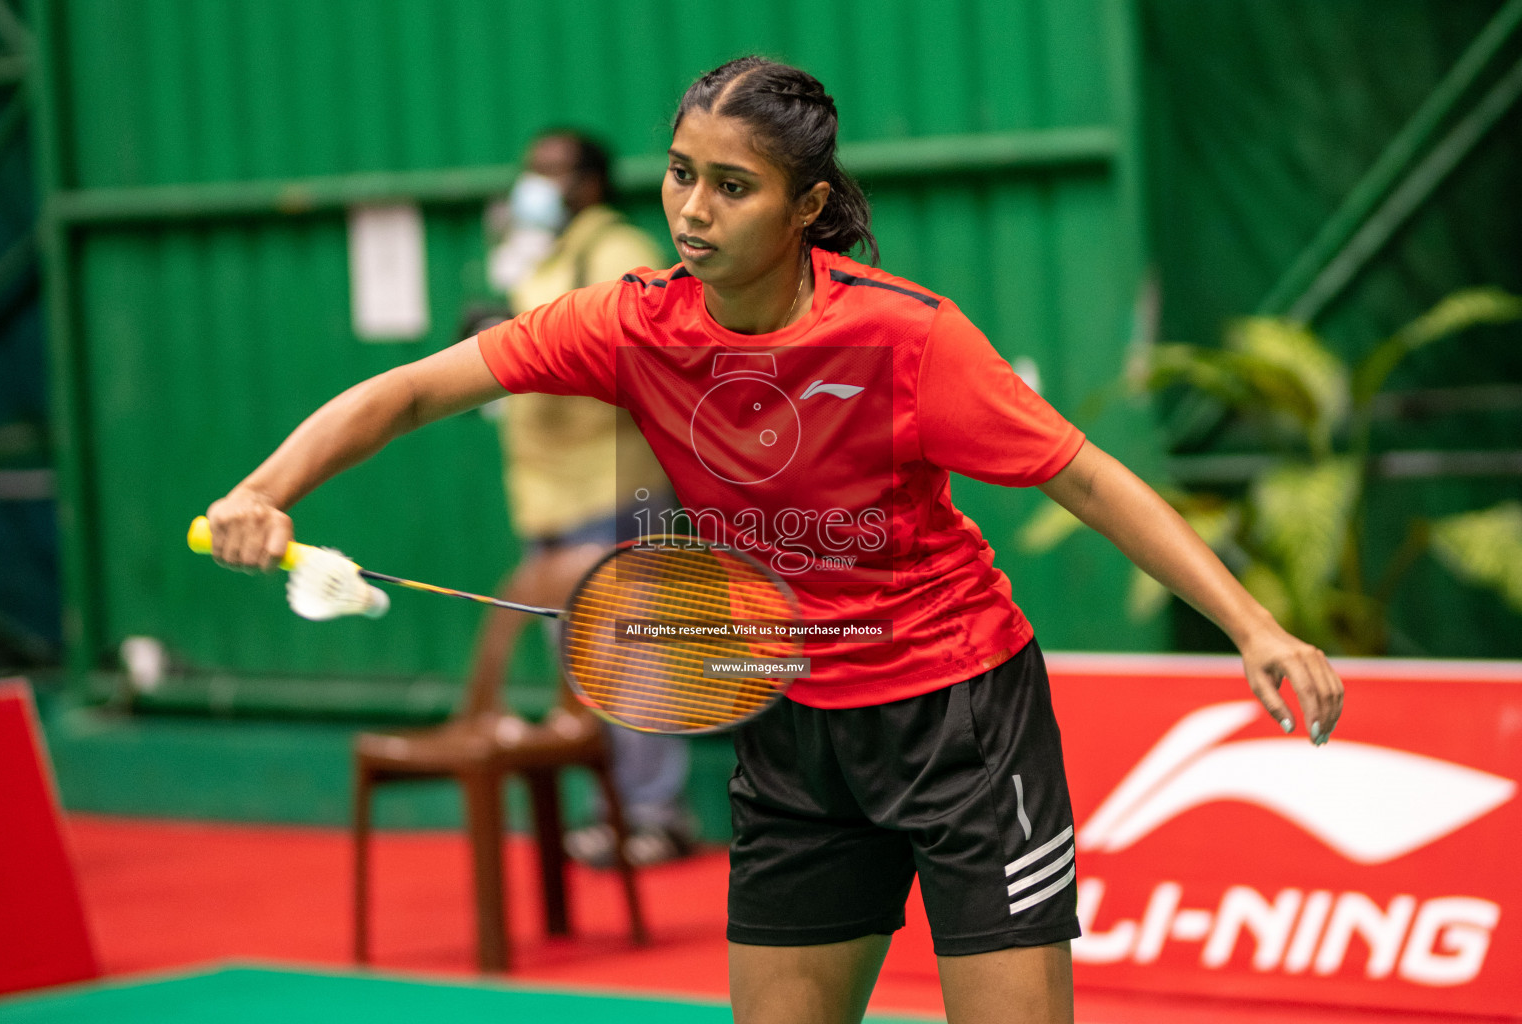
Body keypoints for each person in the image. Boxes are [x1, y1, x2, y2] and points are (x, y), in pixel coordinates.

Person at [204, 57, 1344, 1024]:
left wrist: (1252, 625)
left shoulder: (906, 340)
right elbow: (411, 391)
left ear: (805, 206)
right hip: (793, 719)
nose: (692, 209)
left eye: (733, 187)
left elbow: (1088, 477)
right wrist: (265, 488)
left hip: (961, 719)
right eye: (683, 174)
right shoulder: (629, 324)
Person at [467, 128, 696, 867]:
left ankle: (654, 814)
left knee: (633, 656)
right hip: (547, 496)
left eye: (554, 171)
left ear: (590, 185)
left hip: (611, 487)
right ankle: (616, 811)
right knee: (583, 663)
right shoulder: (538, 255)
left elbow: (634, 352)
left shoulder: (614, 251)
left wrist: (525, 339)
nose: (535, 182)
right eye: (530, 168)